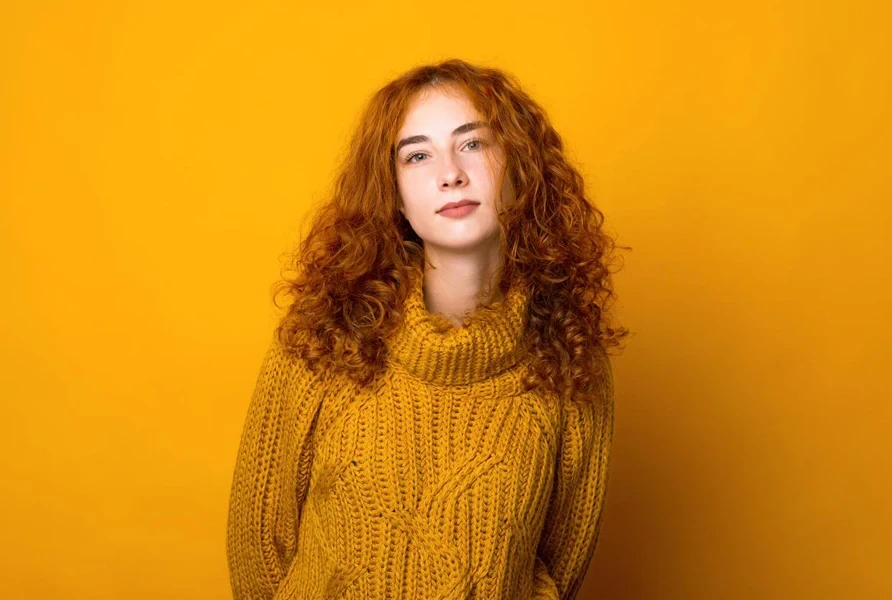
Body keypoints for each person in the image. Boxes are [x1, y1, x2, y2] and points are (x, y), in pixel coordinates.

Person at [226, 58, 630, 600]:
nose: (450, 173)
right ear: (392, 192)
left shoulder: (569, 360)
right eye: (418, 155)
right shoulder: (321, 340)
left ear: (519, 168)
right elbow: (258, 552)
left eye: (473, 144)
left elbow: (558, 568)